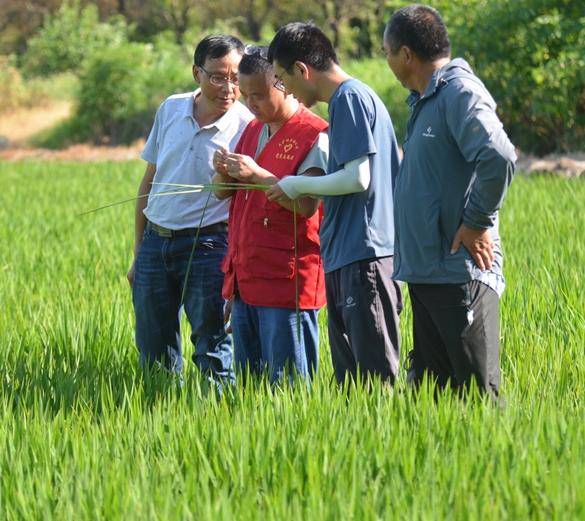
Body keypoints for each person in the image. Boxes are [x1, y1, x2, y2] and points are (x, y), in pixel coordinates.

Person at [382, 4, 516, 403]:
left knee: (478, 398)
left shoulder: (458, 91)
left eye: (386, 53)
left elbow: (499, 156)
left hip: (458, 274)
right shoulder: (425, 99)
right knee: (434, 402)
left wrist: (476, 222)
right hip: (427, 273)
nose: (386, 62)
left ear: (406, 54)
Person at [265, 22, 404, 386]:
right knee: (351, 386)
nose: (286, 91)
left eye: (282, 80)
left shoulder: (349, 98)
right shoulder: (350, 99)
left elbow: (359, 178)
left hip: (365, 257)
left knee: (373, 383)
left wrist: (295, 184)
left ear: (302, 70)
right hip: (349, 255)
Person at [128, 35, 254, 385]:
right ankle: (157, 418)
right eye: (217, 76)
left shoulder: (247, 124)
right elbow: (148, 184)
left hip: (209, 247)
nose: (228, 87)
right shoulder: (171, 107)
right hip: (156, 243)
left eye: (236, 77)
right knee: (153, 350)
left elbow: (245, 207)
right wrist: (139, 255)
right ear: (196, 72)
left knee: (212, 347)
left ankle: (218, 424)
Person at [211, 49, 330, 384]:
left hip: (287, 285)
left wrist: (257, 174)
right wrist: (223, 172)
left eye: (259, 95)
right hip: (246, 281)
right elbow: (225, 193)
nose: (251, 104)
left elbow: (306, 205)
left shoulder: (313, 134)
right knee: (251, 389)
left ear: (284, 84)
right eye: (245, 96)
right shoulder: (252, 129)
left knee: (288, 391)